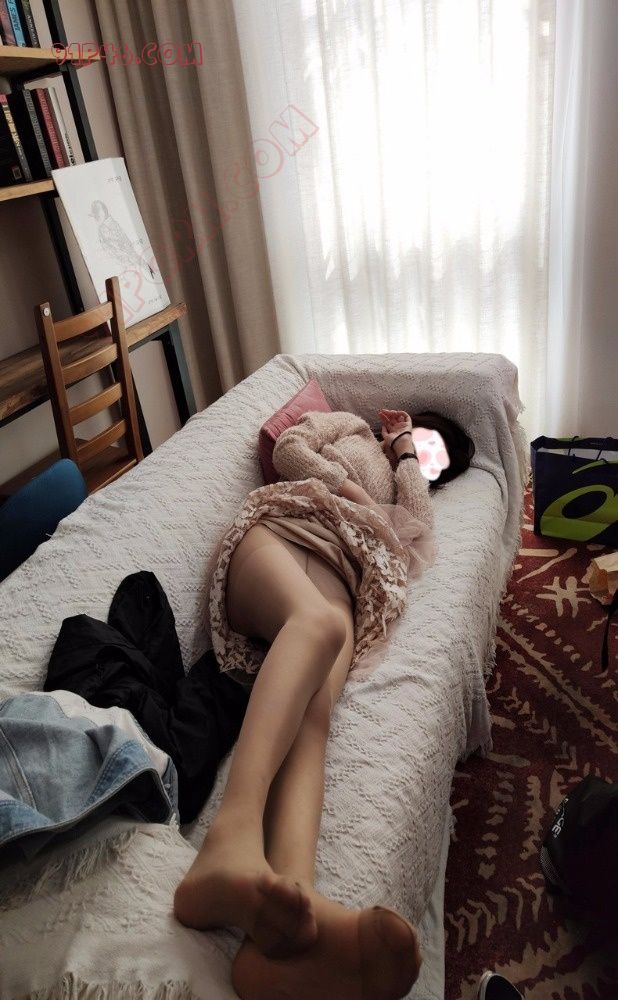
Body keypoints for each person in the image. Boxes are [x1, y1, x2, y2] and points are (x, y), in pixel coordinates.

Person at [174, 404, 475, 1000]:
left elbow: (413, 532)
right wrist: (359, 484)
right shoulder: (348, 426)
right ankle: (228, 842)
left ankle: (287, 924)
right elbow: (289, 450)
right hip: (279, 536)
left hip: (341, 582)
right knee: (318, 627)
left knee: (314, 718)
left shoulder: (406, 484)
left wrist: (408, 457)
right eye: (426, 439)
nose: (424, 456)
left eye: (435, 460)